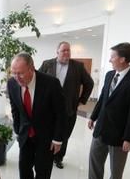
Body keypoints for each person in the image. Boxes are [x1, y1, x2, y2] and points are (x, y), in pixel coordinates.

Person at [78, 42, 130, 179]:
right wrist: (93, 117)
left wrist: (129, 138)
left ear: (122, 59)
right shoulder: (110, 75)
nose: (110, 60)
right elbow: (103, 99)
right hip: (101, 126)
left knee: (116, 166)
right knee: (95, 157)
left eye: (112, 57)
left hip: (119, 132)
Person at [7, 53, 66, 179]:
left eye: (21, 73)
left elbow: (61, 114)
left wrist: (58, 139)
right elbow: (15, 109)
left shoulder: (51, 84)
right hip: (26, 135)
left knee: (42, 171)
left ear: (32, 68)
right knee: (24, 168)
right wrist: (18, 130)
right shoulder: (12, 83)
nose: (16, 77)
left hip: (46, 137)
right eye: (13, 73)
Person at [39, 41, 94, 169]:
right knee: (47, 133)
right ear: (57, 52)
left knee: (64, 135)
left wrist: (82, 100)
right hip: (48, 108)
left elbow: (89, 83)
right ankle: (47, 156)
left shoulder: (78, 66)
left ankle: (58, 158)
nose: (66, 53)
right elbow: (38, 80)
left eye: (68, 50)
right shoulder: (47, 64)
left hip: (68, 109)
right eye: (63, 50)